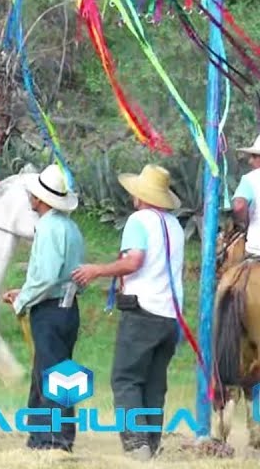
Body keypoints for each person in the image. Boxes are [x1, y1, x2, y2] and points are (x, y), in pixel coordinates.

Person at [72, 164, 184, 461]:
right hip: (171, 315)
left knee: (126, 379)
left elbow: (134, 261)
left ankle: (136, 444)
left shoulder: (138, 221)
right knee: (155, 383)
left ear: (141, 196)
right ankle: (152, 443)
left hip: (143, 310)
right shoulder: (175, 226)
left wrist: (97, 270)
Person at [1, 163, 84, 453]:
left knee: (50, 372)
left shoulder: (47, 228)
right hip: (68, 308)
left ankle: (53, 440)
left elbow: (47, 277)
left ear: (40, 199)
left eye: (33, 194)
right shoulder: (71, 228)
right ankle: (41, 436)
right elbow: (65, 274)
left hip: (50, 311)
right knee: (56, 371)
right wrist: (25, 292)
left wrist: (22, 300)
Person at [230, 134, 260, 260]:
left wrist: (242, 221)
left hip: (256, 249)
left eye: (254, 156)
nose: (250, 161)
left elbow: (239, 206)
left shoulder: (250, 179)